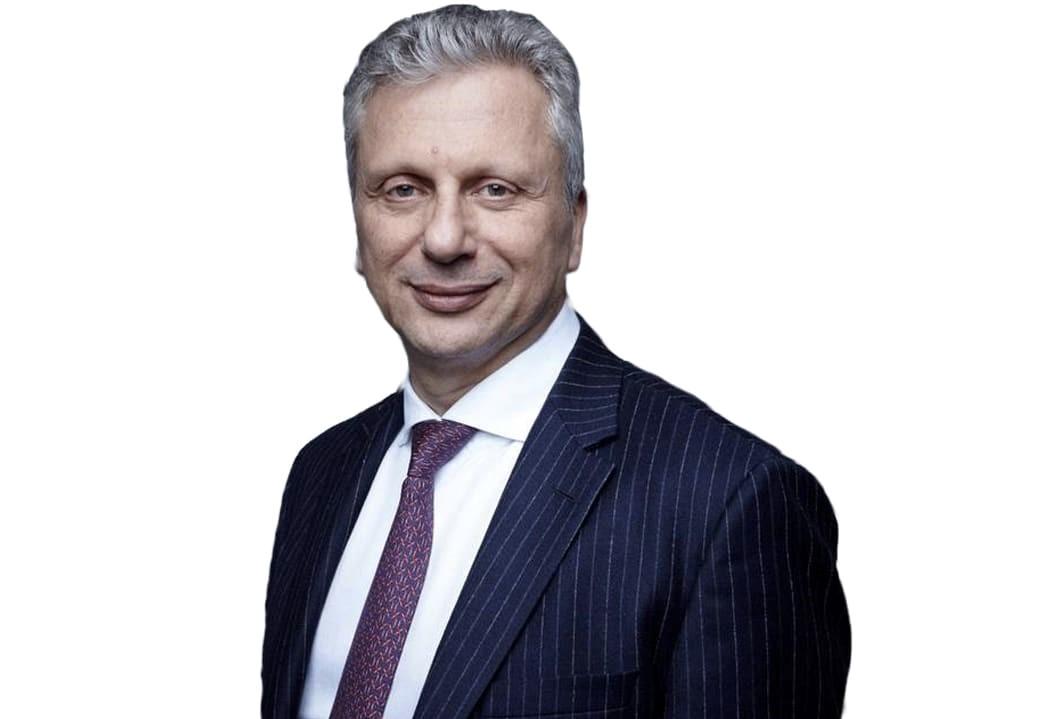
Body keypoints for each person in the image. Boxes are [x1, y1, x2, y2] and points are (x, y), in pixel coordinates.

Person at [262, 5, 851, 718]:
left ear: (574, 225)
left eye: (495, 190)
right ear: (359, 225)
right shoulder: (321, 474)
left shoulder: (727, 503)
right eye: (403, 190)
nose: (444, 238)